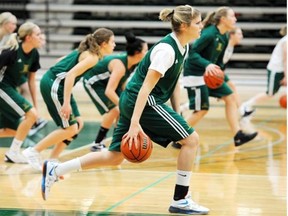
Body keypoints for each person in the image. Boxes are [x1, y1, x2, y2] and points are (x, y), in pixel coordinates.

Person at [41, 5, 210, 215]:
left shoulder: (182, 47)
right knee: (191, 140)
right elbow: (145, 88)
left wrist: (176, 111)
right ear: (184, 26)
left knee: (114, 157)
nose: (201, 26)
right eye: (198, 22)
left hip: (135, 100)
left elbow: (172, 83)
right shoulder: (166, 50)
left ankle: (56, 169)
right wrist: (135, 123)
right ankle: (181, 199)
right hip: (144, 101)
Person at [23, 28, 116, 171]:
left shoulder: (87, 52)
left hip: (57, 83)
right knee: (70, 128)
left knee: (78, 124)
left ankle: (52, 159)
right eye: (112, 42)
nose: (114, 45)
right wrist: (66, 103)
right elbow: (70, 75)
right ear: (103, 44)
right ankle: (33, 151)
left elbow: (59, 61)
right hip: (55, 85)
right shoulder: (92, 57)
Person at [180, 7, 258, 149]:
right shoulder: (209, 34)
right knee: (201, 110)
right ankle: (178, 137)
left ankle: (238, 135)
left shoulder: (225, 35)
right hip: (195, 75)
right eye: (232, 16)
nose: (235, 19)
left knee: (230, 97)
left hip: (209, 75)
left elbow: (219, 62)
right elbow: (192, 54)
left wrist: (220, 80)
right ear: (223, 19)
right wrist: (208, 64)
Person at [84, 32, 148, 152]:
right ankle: (97, 143)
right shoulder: (120, 65)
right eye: (146, 50)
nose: (147, 53)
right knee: (115, 110)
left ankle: (117, 142)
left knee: (123, 110)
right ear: (137, 53)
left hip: (106, 83)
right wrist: (122, 104)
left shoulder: (132, 63)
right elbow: (109, 91)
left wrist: (126, 99)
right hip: (94, 82)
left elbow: (122, 83)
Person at [0, 22, 42, 163]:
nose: (40, 37)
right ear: (28, 37)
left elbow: (31, 82)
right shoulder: (11, 51)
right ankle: (13, 153)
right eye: (38, 34)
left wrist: (35, 106)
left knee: (13, 130)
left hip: (10, 89)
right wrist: (33, 111)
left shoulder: (34, 54)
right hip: (2, 88)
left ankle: (13, 152)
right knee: (30, 115)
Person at [240, 25, 287, 117]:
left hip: (283, 69)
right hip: (276, 70)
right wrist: (286, 76)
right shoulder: (286, 41)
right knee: (270, 93)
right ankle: (247, 105)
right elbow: (286, 60)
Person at [18, 32, 49, 137]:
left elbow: (31, 77)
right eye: (40, 39)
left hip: (22, 78)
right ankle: (31, 121)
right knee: (26, 92)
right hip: (13, 79)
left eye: (43, 39)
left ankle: (30, 121)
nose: (42, 42)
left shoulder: (34, 54)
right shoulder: (18, 51)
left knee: (26, 94)